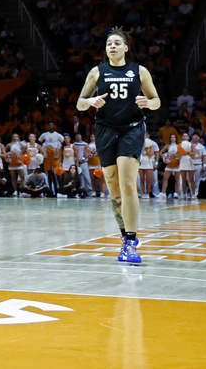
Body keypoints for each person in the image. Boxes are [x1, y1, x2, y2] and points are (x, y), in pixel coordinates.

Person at [76, 27, 161, 264]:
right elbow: (80, 104)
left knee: (127, 184)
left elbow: (156, 101)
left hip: (132, 128)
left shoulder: (139, 71)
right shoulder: (97, 71)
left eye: (117, 43)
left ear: (126, 47)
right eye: (108, 43)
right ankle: (125, 239)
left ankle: (132, 242)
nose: (112, 46)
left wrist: (148, 102)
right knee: (113, 190)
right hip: (105, 130)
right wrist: (91, 100)